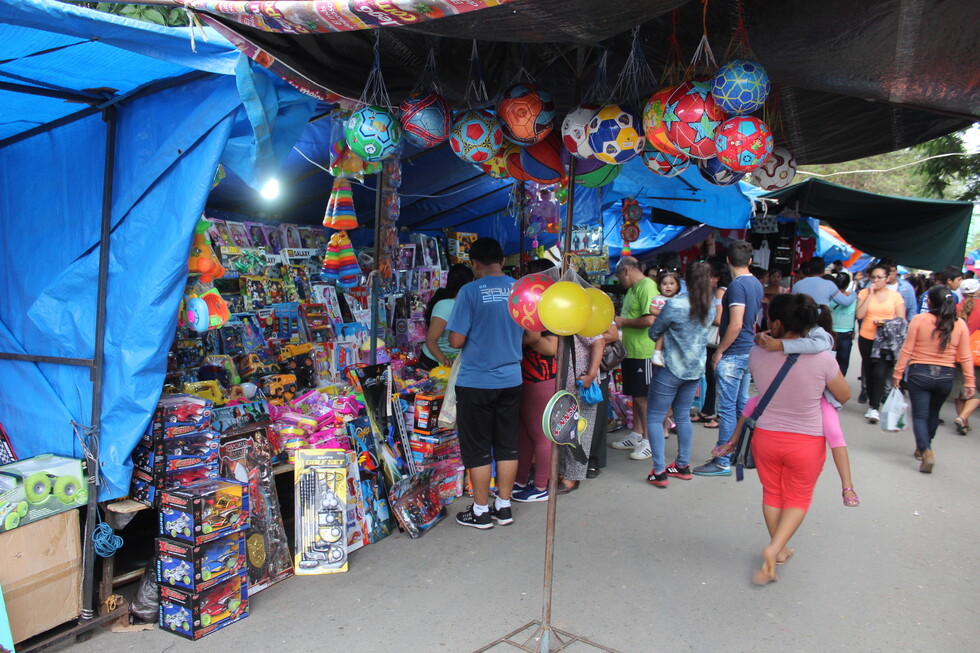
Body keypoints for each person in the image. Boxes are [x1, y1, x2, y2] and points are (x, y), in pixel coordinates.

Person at [714, 294, 851, 585]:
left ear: (776, 323)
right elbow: (844, 395)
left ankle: (779, 548)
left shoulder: (757, 353)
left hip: (767, 437)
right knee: (798, 497)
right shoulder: (823, 358)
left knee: (772, 493)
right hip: (806, 441)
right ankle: (775, 548)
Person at [447, 238, 524, 529]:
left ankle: (480, 512)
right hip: (511, 379)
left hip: (477, 381)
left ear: (474, 263)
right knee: (507, 445)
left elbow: (456, 340)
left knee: (477, 447)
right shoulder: (518, 290)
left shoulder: (469, 291)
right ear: (502, 261)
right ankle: (503, 507)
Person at [753, 298, 859, 507]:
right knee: (835, 437)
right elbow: (844, 395)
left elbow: (821, 344)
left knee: (835, 436)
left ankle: (847, 485)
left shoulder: (818, 338)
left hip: (776, 427)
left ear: (777, 323)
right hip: (806, 429)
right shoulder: (819, 352)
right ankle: (847, 487)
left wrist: (781, 345)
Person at [694, 240, 764, 477]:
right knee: (739, 406)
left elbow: (735, 324)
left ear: (728, 261)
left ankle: (722, 459)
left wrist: (719, 351)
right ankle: (738, 452)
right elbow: (749, 322)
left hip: (734, 353)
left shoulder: (736, 287)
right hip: (747, 351)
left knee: (727, 409)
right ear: (750, 261)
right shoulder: (755, 283)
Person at [643, 262, 714, 487]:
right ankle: (682, 465)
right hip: (694, 370)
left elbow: (654, 332)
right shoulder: (709, 307)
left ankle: (659, 471)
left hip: (670, 369)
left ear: (686, 280)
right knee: (683, 416)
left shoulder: (675, 305)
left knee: (655, 417)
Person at [893, 286, 976, 473]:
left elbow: (907, 349)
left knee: (920, 415)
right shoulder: (960, 324)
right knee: (933, 414)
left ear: (929, 302)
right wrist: (970, 381)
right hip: (946, 376)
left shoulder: (919, 320)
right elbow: (965, 356)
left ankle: (926, 450)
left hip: (919, 373)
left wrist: (898, 373)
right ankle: (924, 446)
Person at [611, 256, 660, 461]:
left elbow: (651, 318)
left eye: (620, 277)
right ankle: (637, 434)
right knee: (635, 395)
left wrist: (622, 321)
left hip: (644, 351)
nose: (620, 281)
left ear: (626, 271)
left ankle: (649, 441)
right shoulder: (632, 290)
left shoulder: (647, 286)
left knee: (643, 398)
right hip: (630, 350)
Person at [855, 263, 906, 422]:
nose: (876, 280)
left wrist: (885, 322)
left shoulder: (895, 296)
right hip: (867, 338)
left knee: (879, 373)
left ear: (887, 278)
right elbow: (860, 315)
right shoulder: (864, 293)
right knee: (869, 372)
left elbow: (901, 320)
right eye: (873, 277)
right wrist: (870, 293)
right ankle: (873, 404)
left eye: (880, 277)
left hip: (885, 341)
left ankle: (875, 407)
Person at [419, 263, 475, 369]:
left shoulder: (468, 304)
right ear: (466, 284)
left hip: (455, 361)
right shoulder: (445, 306)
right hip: (435, 361)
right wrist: (444, 360)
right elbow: (431, 340)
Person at [587, 324, 620, 478]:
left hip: (596, 372)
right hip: (572, 369)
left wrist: (587, 336)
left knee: (597, 417)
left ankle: (594, 460)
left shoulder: (600, 302)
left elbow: (613, 335)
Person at [954, 278, 980, 433]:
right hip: (976, 354)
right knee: (977, 391)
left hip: (957, 353)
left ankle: (964, 422)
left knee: (959, 389)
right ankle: (962, 417)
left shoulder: (956, 307)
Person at [650, 269, 681, 367]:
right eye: (664, 284)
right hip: (663, 324)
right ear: (659, 286)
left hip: (675, 324)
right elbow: (652, 309)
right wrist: (664, 314)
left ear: (677, 286)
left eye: (672, 283)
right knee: (662, 334)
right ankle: (657, 353)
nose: (668, 286)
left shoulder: (679, 298)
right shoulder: (658, 298)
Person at [830, 272, 856, 376]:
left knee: (830, 361)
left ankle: (829, 385)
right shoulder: (853, 297)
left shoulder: (830, 296)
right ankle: (839, 383)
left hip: (832, 332)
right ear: (848, 284)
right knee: (843, 362)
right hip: (846, 333)